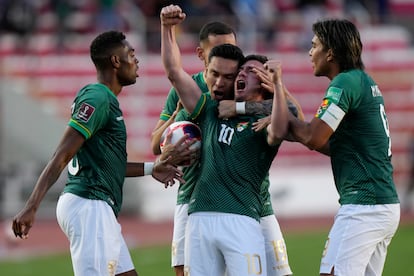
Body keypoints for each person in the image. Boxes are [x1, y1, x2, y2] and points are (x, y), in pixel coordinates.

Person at [11, 30, 191, 276]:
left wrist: (152, 168)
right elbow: (61, 154)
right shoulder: (98, 97)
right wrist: (32, 205)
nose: (136, 60)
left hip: (97, 207)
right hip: (89, 206)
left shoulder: (104, 99)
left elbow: (109, 164)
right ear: (116, 61)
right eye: (131, 54)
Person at [154, 19, 296, 276]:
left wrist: (276, 86)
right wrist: (166, 27)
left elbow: (291, 117)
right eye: (215, 74)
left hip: (246, 215)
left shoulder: (265, 120)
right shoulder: (208, 107)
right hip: (197, 212)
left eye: (232, 76)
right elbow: (173, 71)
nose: (221, 82)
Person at [277, 19, 400, 275]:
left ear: (330, 52)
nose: (310, 53)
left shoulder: (344, 83)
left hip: (364, 205)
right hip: (382, 203)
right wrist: (296, 127)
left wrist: (279, 117)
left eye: (314, 46)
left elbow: (314, 137)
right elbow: (334, 145)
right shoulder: (361, 81)